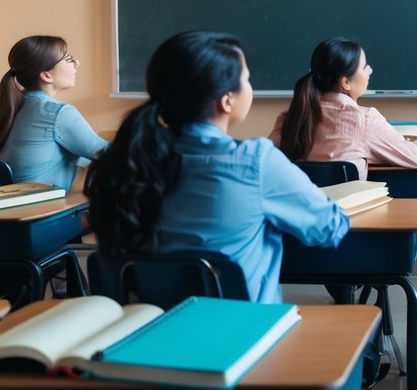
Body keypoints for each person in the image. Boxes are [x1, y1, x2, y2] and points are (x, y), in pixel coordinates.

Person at [86, 31, 350, 303]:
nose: (251, 86)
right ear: (227, 100)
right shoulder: (255, 162)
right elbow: (330, 228)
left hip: (155, 335)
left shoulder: (129, 159)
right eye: (246, 79)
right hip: (245, 336)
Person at [270, 37, 417, 178]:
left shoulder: (289, 119)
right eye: (364, 67)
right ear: (346, 82)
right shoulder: (366, 120)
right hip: (350, 209)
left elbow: (269, 165)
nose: (369, 72)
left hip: (302, 208)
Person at [0, 35, 108, 190]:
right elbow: (109, 154)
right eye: (68, 59)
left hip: (10, 207)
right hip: (42, 209)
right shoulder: (58, 112)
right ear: (46, 75)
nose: (77, 63)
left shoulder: (20, 104)